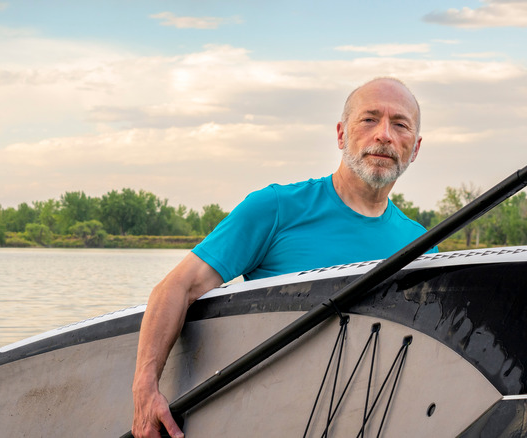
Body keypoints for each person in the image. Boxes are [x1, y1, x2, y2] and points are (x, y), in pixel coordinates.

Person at [131, 77, 434, 438]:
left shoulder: (421, 245)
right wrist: (145, 390)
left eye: (400, 124)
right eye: (369, 119)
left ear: (414, 148)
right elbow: (177, 289)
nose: (384, 134)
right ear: (341, 135)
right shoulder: (274, 208)